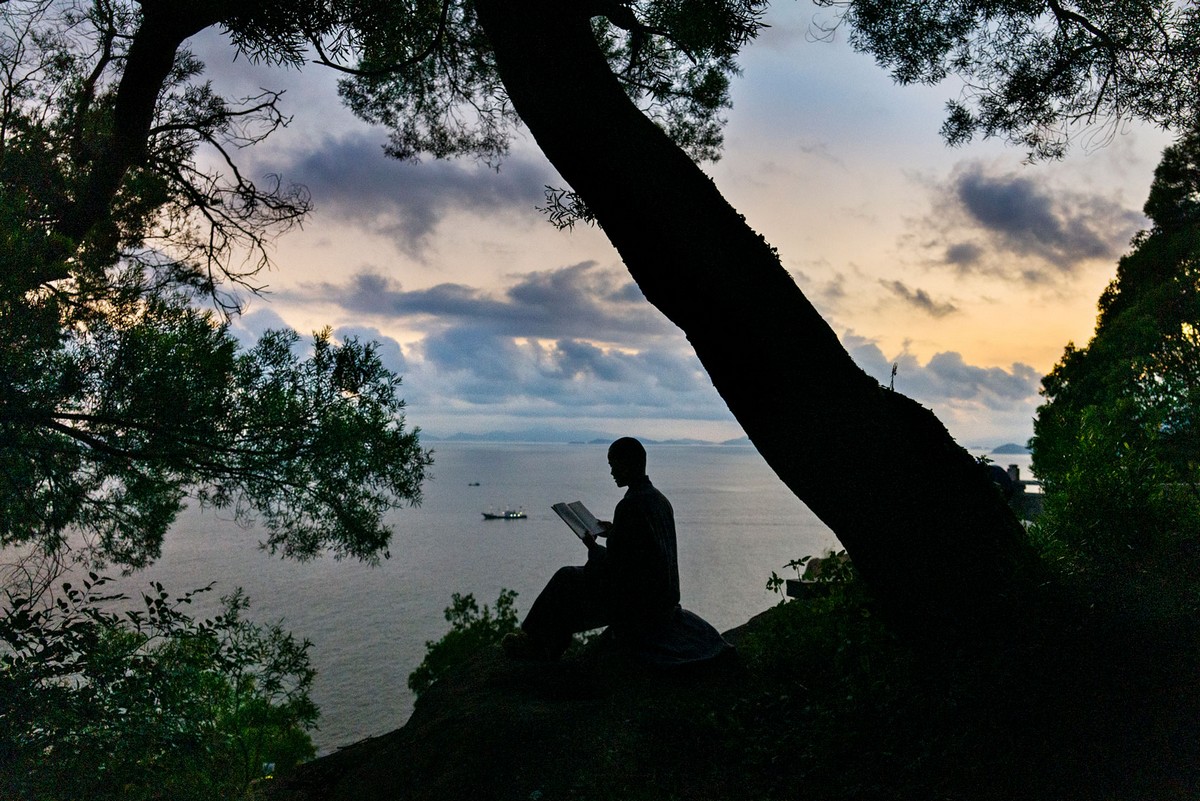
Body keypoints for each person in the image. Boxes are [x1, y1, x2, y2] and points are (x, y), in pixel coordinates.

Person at [504, 437, 728, 665]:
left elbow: (617, 568)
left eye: (614, 465)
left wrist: (593, 547)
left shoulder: (630, 505)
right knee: (572, 584)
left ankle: (535, 644)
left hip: (639, 603)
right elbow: (645, 548)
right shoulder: (659, 500)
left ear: (629, 463)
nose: (611, 472)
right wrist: (615, 531)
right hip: (661, 598)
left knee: (566, 578)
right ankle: (546, 646)